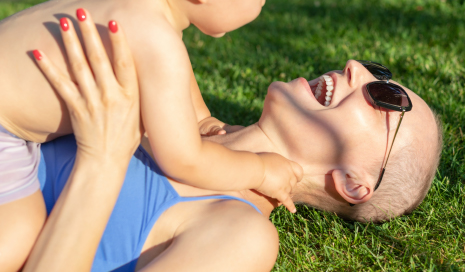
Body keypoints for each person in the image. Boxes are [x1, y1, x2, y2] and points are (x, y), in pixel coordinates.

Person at [0, 0, 313, 267]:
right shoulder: (158, 42)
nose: (263, 4)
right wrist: (261, 169)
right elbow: (185, 159)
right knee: (17, 235)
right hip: (4, 128)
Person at [21, 14, 441, 271]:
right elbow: (152, 15)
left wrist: (104, 158)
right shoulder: (192, 123)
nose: (355, 68)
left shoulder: (241, 235)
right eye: (376, 73)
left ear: (353, 182)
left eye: (385, 99)